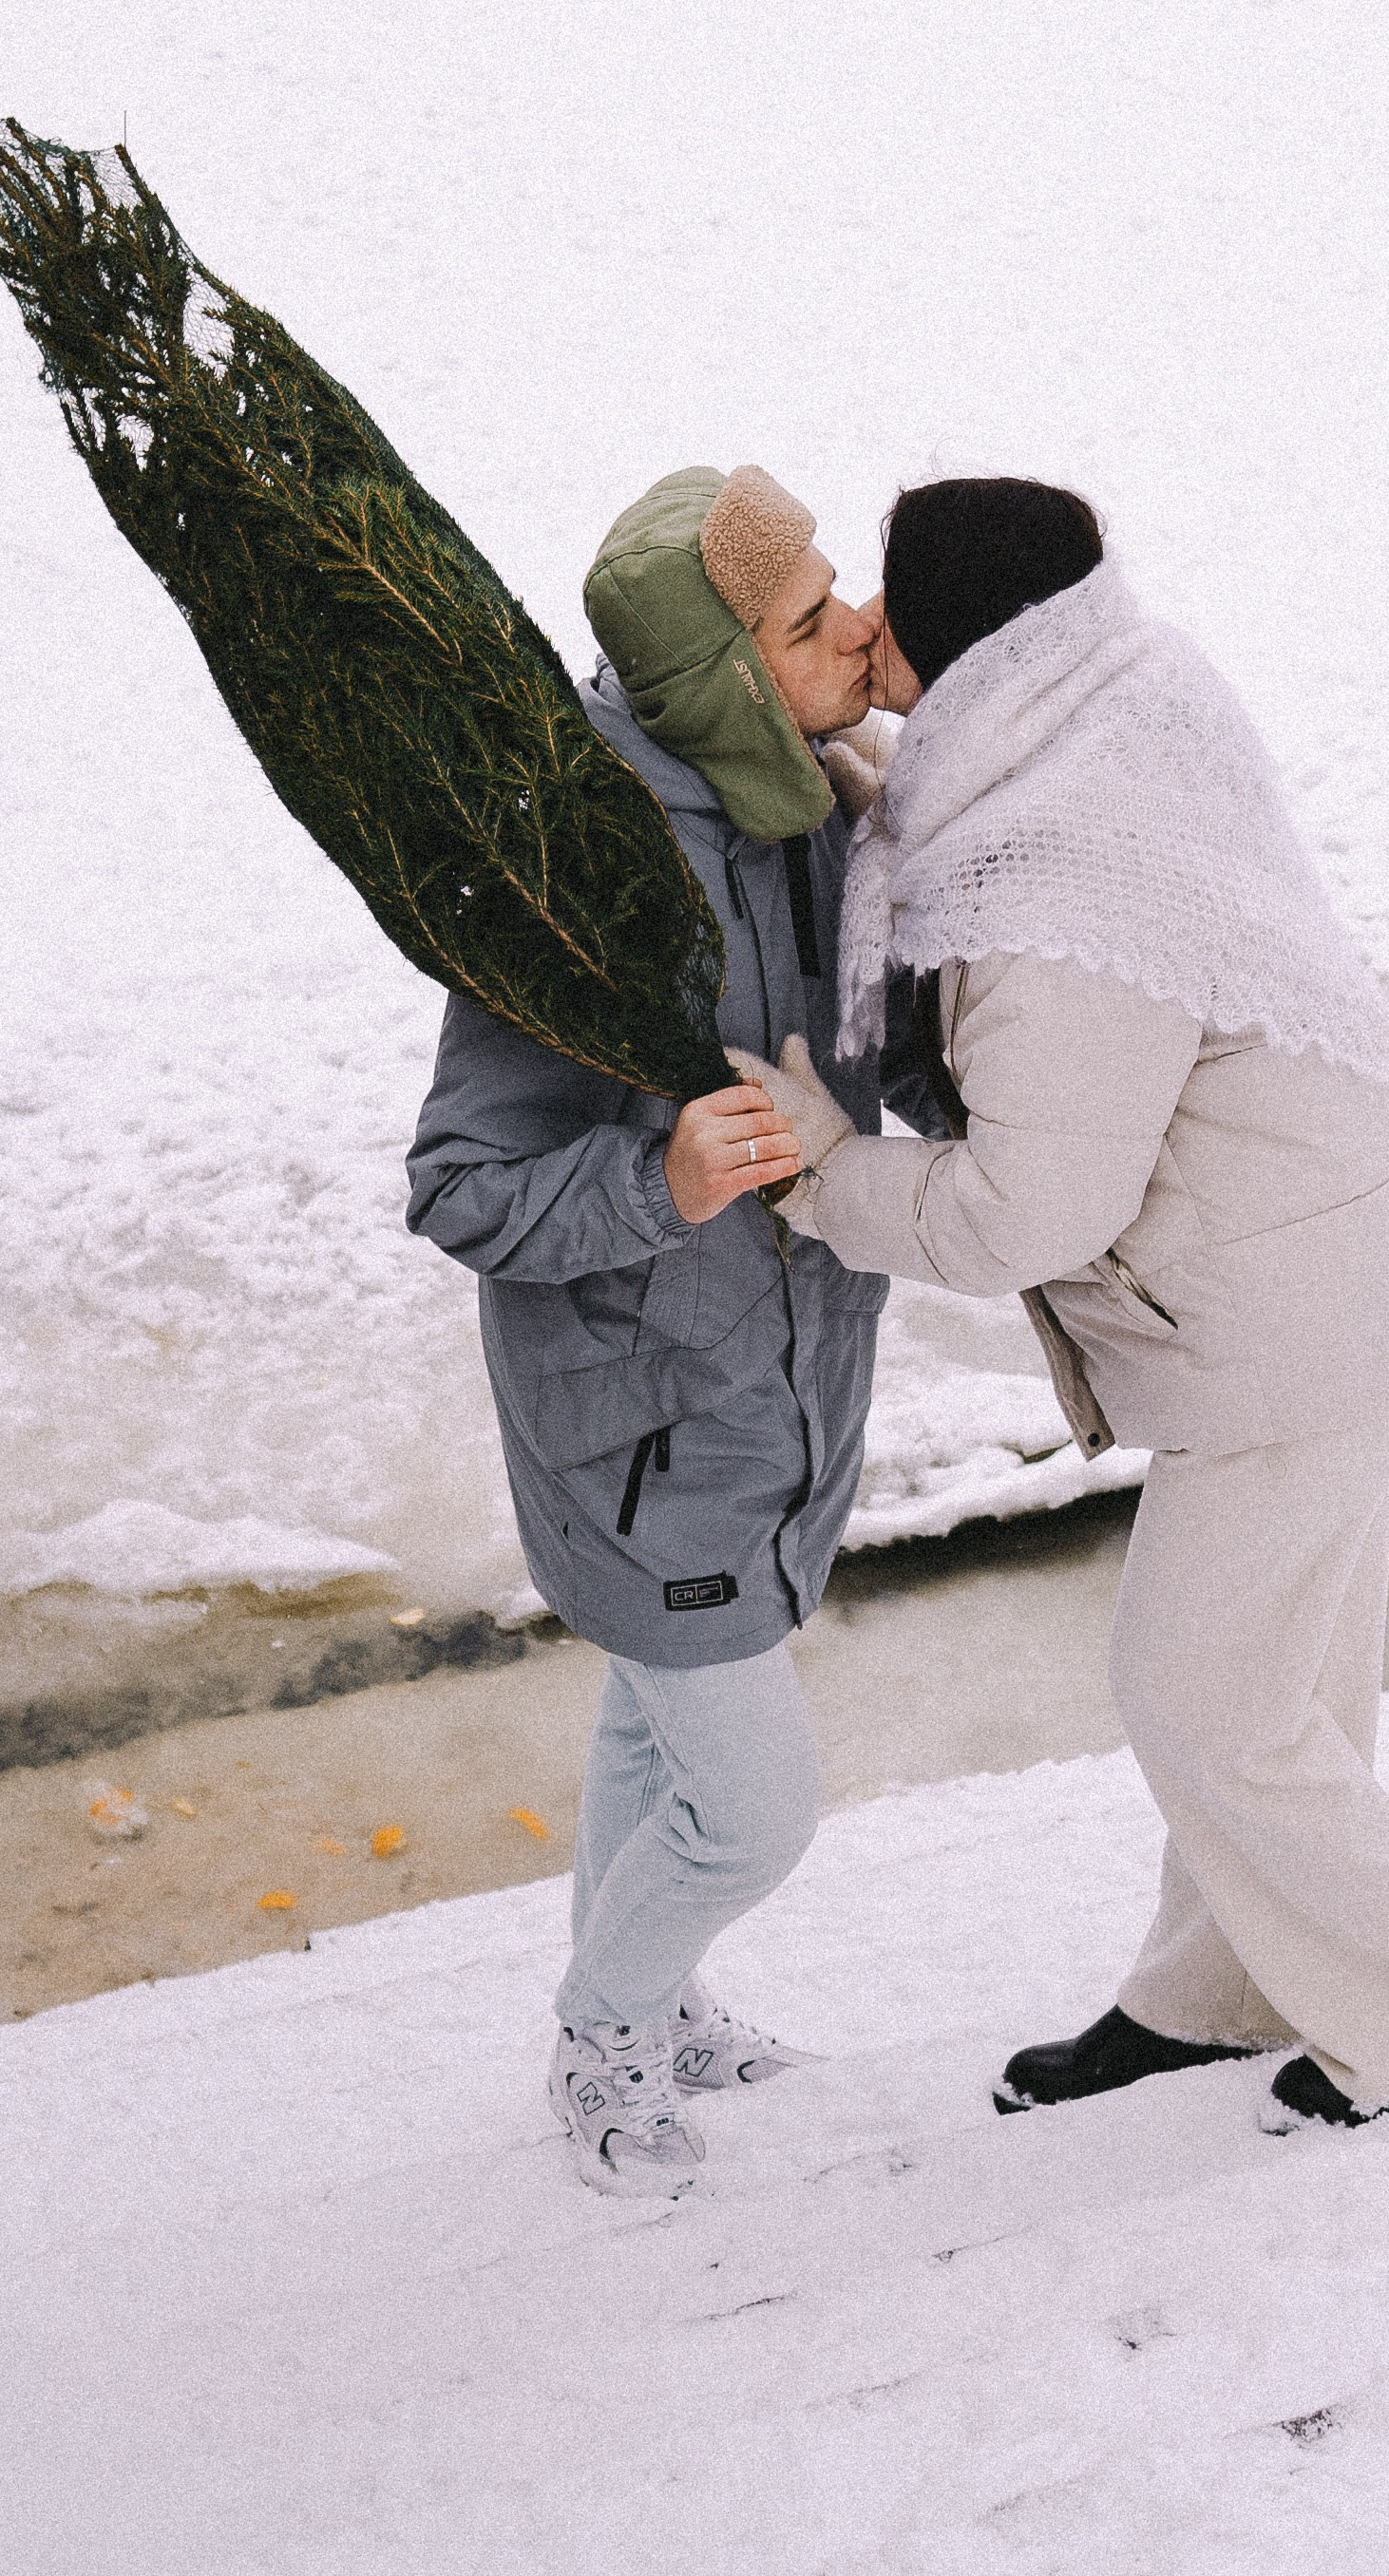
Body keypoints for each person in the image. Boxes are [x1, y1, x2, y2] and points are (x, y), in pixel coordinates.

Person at [736, 478, 1389, 2132]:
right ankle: (1225, 1989)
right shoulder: (1117, 700)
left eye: (896, 606)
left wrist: (822, 1173)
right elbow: (990, 817)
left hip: (1294, 1332)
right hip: (1334, 1268)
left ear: (984, 650)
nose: (870, 628)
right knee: (1284, 1686)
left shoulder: (1061, 905)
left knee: (1202, 1697)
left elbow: (1027, 1206)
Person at [407, 462, 900, 2198]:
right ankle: (603, 2027)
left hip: (767, 1386)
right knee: (752, 1806)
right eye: (808, 619)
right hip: (643, 1434)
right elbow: (459, 1182)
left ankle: (659, 1998)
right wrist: (659, 1174)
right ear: (713, 681)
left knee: (650, 1729)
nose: (859, 630)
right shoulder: (582, 869)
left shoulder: (806, 803)